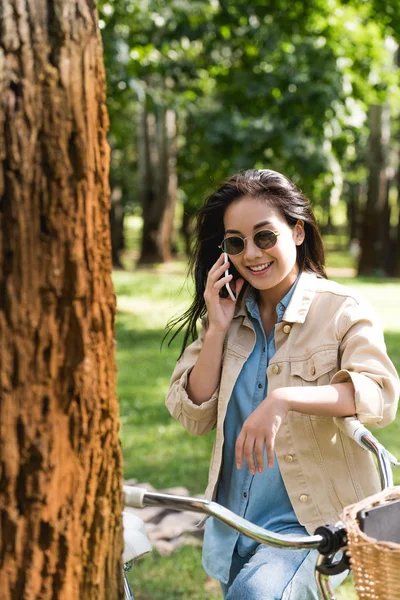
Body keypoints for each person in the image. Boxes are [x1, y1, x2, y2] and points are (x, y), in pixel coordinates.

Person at [165, 169, 399, 599]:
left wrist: (285, 398)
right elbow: (192, 413)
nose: (251, 253)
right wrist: (216, 329)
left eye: (264, 237)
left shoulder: (342, 310)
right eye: (235, 242)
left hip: (310, 526)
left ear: (297, 231)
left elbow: (380, 396)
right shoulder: (224, 315)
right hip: (233, 523)